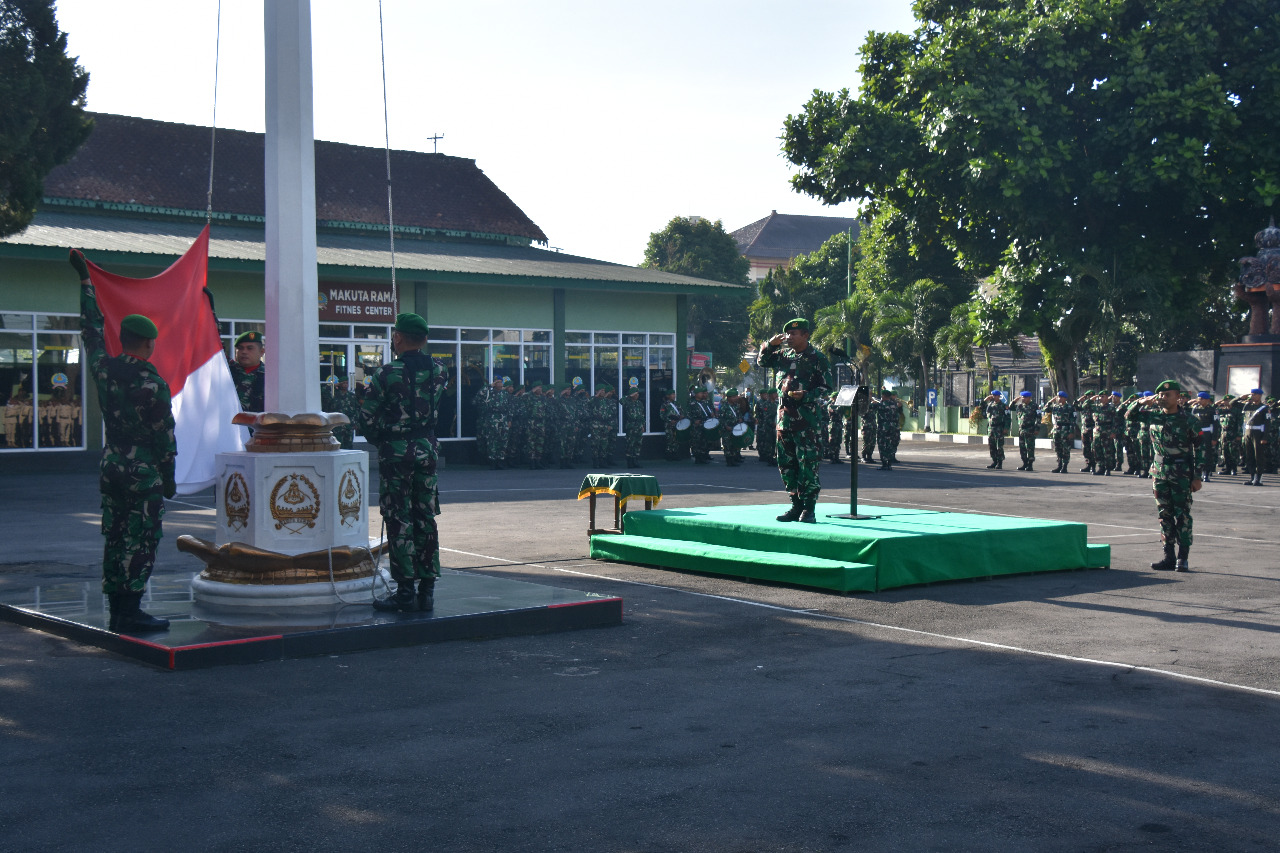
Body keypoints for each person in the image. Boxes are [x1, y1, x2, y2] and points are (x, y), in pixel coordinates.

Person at [71, 248, 176, 633]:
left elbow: (90, 329)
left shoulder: (103, 368)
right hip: (142, 471)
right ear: (148, 344)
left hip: (111, 465)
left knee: (114, 534)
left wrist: (85, 282)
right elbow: (164, 436)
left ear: (122, 339)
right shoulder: (153, 383)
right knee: (141, 540)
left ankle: (117, 607)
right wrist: (169, 477)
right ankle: (131, 611)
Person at [358, 312, 448, 613]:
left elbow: (367, 418)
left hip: (396, 453)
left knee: (399, 520)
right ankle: (428, 591)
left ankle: (406, 591)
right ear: (424, 339)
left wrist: (384, 440)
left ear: (397, 337)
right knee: (426, 519)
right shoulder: (439, 370)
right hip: (427, 450)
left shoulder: (386, 374)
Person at [757, 318, 832, 523]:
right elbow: (762, 361)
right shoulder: (782, 355)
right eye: (787, 333)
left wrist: (806, 395)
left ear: (805, 335)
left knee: (808, 465)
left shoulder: (817, 358)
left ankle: (809, 509)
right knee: (786, 465)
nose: (788, 337)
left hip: (807, 422)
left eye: (793, 334)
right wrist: (769, 345)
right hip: (784, 420)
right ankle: (795, 506)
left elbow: (827, 387)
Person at [1140, 380, 1203, 571]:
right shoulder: (1154, 416)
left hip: (1181, 473)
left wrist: (1197, 476)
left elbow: (1200, 449)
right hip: (1159, 472)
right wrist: (1142, 403)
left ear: (1178, 397)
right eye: (1160, 395)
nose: (1163, 398)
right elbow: (1126, 415)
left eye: (1167, 395)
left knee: (1182, 515)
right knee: (1164, 515)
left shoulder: (1189, 420)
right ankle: (1168, 556)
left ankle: (1182, 558)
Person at [229, 330, 266, 412]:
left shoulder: (270, 377)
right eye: (240, 348)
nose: (244, 352)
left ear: (261, 352)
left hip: (255, 424)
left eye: (250, 348)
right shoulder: (227, 371)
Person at [1042, 391, 1075, 473]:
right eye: (1058, 397)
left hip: (1065, 430)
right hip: (1057, 429)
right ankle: (1059, 465)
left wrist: (1071, 432)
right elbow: (1045, 409)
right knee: (1058, 448)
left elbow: (1073, 420)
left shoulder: (1069, 408)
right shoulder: (1055, 407)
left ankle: (1065, 466)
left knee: (1065, 449)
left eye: (1061, 397)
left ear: (1065, 398)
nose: (1059, 399)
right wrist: (1050, 401)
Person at [1243, 388, 1269, 486]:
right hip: (1248, 433)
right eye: (1251, 394)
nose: (1252, 396)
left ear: (1260, 396)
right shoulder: (1247, 406)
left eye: (1254, 394)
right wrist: (1241, 398)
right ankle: (1252, 477)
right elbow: (1233, 404)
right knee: (1249, 456)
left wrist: (1265, 437)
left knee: (1258, 456)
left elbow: (1267, 424)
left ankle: (1259, 478)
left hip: (1258, 434)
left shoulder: (1264, 408)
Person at [1009, 390, 1040, 471]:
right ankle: (1024, 463)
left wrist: (1037, 428)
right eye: (1022, 397)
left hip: (1030, 429)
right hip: (1021, 429)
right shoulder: (1020, 406)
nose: (1023, 399)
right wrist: (1014, 401)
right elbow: (1010, 407)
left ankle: (1030, 464)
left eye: (1025, 397)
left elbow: (1038, 418)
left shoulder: (1035, 406)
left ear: (1029, 398)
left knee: (1030, 447)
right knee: (1022, 448)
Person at [983, 391, 1008, 469]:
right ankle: (994, 461)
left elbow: (1007, 417)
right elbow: (981, 407)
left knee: (999, 446)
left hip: (999, 428)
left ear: (999, 396)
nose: (993, 397)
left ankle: (1000, 463)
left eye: (995, 396)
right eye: (993, 395)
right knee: (991, 446)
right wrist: (985, 400)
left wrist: (1006, 427)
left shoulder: (1003, 406)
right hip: (991, 428)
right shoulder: (990, 404)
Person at [622, 385, 645, 467]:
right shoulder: (628, 402)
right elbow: (621, 401)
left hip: (638, 425)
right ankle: (629, 461)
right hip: (631, 426)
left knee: (638, 443)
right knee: (630, 444)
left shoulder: (639, 403)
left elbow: (642, 415)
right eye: (635, 394)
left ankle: (635, 460)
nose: (637, 395)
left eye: (637, 394)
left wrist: (643, 425)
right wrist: (630, 395)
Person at [660, 387, 685, 461]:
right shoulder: (665, 405)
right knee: (670, 440)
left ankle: (675, 453)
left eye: (674, 394)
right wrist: (669, 420)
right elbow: (662, 415)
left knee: (676, 439)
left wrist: (681, 416)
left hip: (677, 425)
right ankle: (669, 454)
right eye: (672, 394)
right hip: (669, 425)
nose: (674, 396)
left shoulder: (677, 404)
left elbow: (681, 412)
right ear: (668, 396)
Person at [754, 387, 778, 464]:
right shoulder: (766, 404)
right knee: (768, 442)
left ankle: (773, 457)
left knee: (774, 442)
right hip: (768, 426)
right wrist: (772, 423)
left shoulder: (777, 403)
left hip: (776, 427)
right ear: (770, 395)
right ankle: (768, 458)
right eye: (774, 394)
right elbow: (765, 416)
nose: (776, 395)